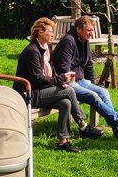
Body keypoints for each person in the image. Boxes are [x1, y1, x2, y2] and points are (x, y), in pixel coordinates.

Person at [14, 17, 103, 153]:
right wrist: (61, 79)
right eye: (50, 32)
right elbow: (38, 79)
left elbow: (53, 68)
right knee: (70, 92)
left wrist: (61, 81)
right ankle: (83, 126)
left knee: (65, 103)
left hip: (43, 89)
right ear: (40, 33)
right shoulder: (32, 51)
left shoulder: (47, 47)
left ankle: (63, 142)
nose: (52, 35)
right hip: (30, 93)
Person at [52, 15, 118, 141]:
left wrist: (94, 83)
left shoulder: (84, 40)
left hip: (80, 81)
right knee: (93, 96)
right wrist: (74, 82)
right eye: (88, 31)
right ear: (79, 29)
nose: (91, 34)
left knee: (103, 91)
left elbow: (89, 64)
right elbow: (64, 70)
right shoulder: (68, 42)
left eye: (91, 31)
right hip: (67, 83)